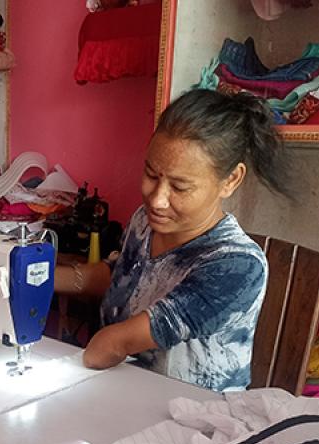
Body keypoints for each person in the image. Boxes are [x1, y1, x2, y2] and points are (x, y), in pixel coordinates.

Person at [55, 89, 293, 392]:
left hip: (197, 420)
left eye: (180, 187)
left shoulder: (238, 266)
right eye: (151, 174)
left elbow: (114, 343)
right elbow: (120, 279)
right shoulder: (146, 221)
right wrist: (33, 277)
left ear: (230, 180)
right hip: (127, 391)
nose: (157, 199)